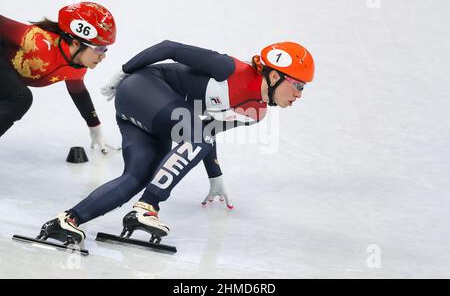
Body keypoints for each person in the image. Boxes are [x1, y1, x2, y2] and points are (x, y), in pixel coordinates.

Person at [38, 40, 315, 245]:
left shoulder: (257, 113)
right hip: (142, 87)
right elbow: (168, 48)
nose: (300, 95)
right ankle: (146, 208)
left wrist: (215, 176)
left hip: (157, 116)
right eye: (298, 85)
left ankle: (67, 220)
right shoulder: (230, 69)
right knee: (194, 136)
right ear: (275, 75)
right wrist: (122, 72)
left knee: (138, 176)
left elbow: (206, 132)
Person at [0, 2, 117, 153]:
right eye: (99, 48)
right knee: (20, 98)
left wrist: (95, 127)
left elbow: (79, 94)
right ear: (76, 43)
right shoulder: (36, 40)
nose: (103, 55)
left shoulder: (77, 68)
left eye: (105, 49)